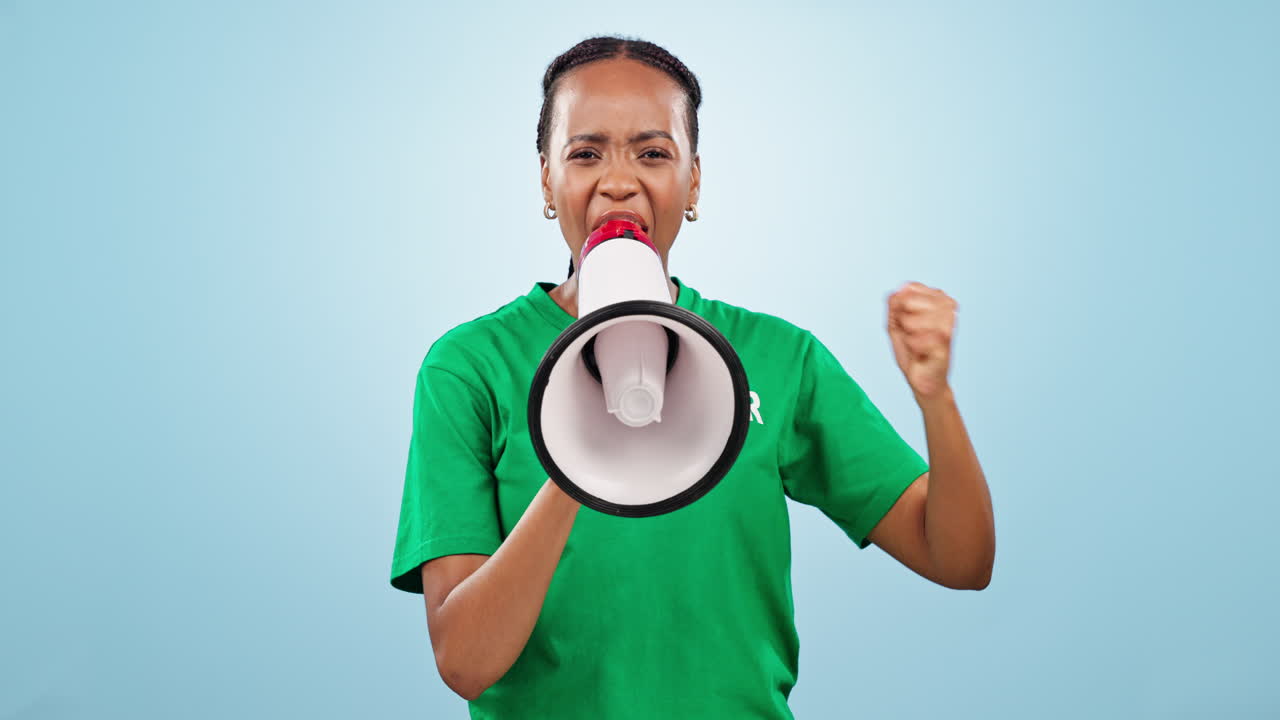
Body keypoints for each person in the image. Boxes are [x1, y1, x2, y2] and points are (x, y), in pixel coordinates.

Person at [389, 34, 995, 719]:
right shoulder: (470, 367)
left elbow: (960, 559)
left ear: (694, 181)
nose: (619, 181)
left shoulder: (777, 357)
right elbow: (465, 661)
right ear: (545, 182)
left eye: (653, 153)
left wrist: (935, 399)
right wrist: (581, 458)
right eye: (585, 153)